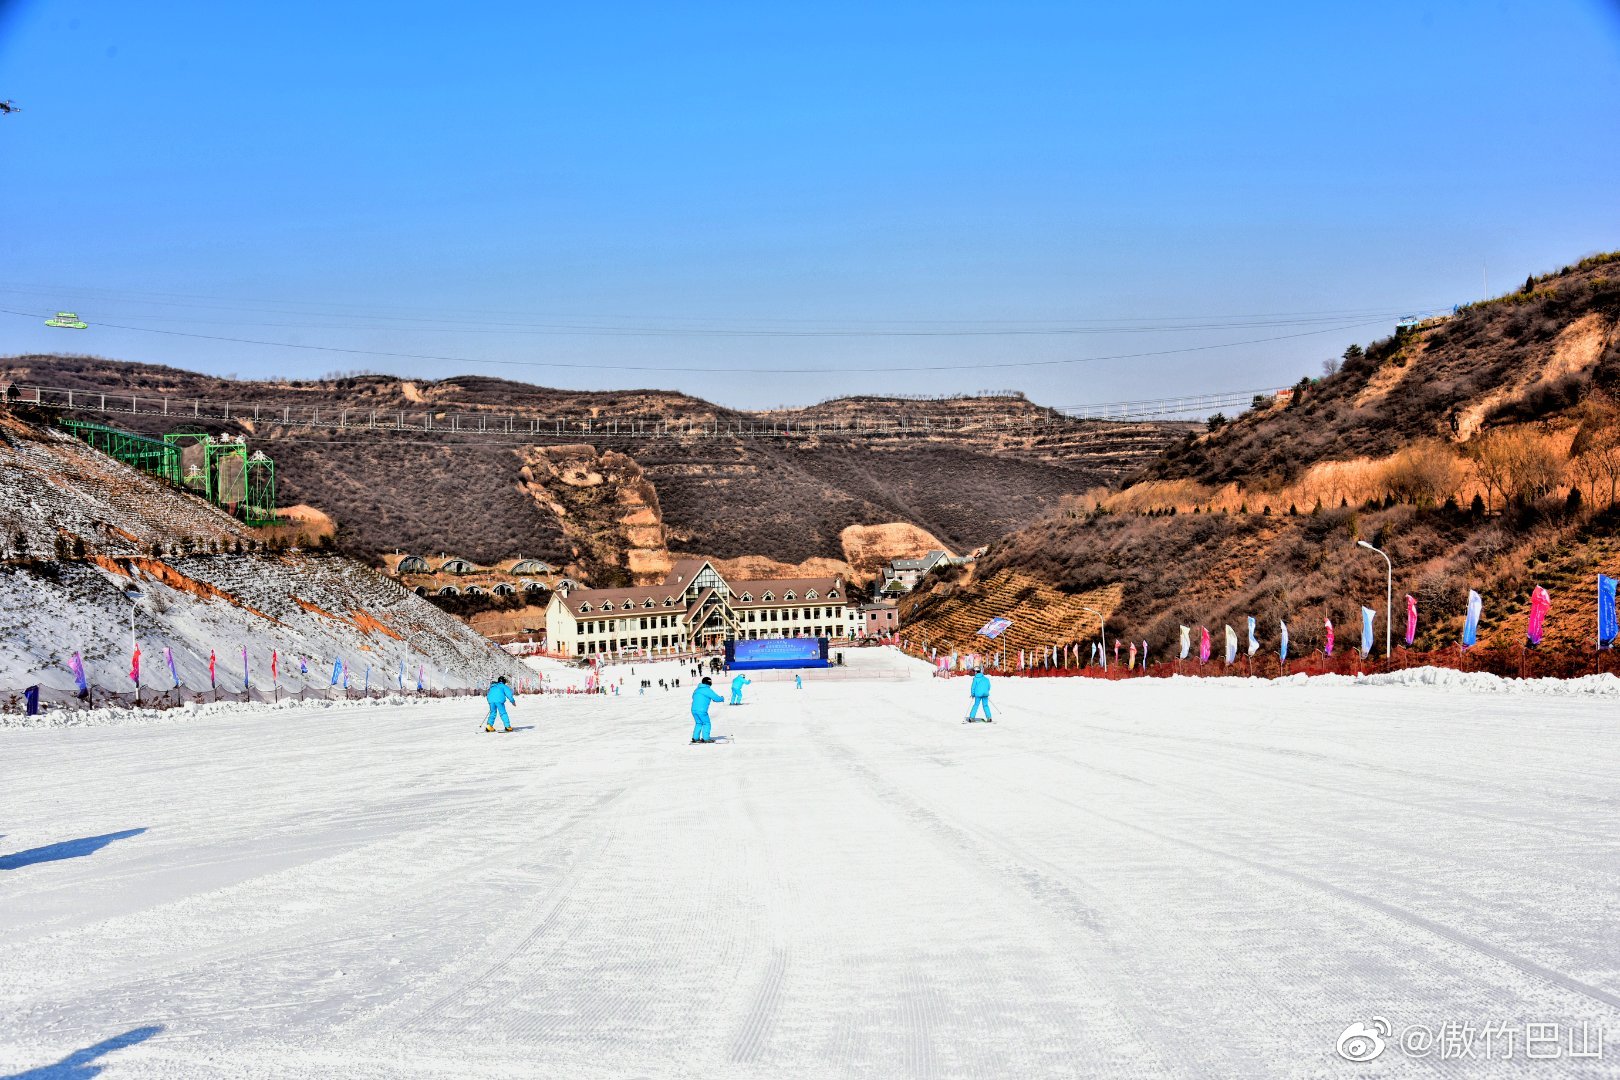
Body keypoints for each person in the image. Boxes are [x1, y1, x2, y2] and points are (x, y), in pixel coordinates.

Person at [691, 676, 724, 743]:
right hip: (701, 710)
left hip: (693, 710)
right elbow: (716, 698)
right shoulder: (707, 690)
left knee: (699, 723)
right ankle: (706, 738)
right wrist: (722, 698)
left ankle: (695, 738)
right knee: (706, 723)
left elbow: (693, 697)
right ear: (709, 682)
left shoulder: (697, 689)